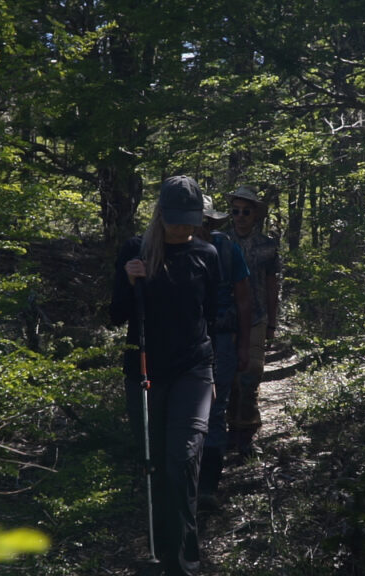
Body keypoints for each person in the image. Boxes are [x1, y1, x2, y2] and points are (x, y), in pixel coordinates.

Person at [110, 175, 219, 576]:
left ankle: (184, 561)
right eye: (177, 220)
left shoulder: (208, 254)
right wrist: (129, 278)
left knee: (183, 458)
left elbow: (209, 314)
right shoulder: (135, 251)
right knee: (155, 464)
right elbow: (117, 315)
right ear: (161, 215)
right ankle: (161, 554)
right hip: (145, 371)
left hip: (194, 369)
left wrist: (214, 370)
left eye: (190, 220)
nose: (184, 228)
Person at [195, 195, 251, 511]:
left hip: (223, 341)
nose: (199, 228)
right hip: (182, 343)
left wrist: (244, 345)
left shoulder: (228, 249)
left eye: (205, 221)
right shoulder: (167, 250)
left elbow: (245, 299)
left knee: (215, 412)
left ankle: (208, 486)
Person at [226, 185, 281, 457]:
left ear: (256, 214)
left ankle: (247, 434)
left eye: (246, 211)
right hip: (227, 320)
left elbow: (272, 286)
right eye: (236, 211)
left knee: (251, 376)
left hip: (257, 319)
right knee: (229, 378)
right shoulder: (220, 242)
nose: (240, 216)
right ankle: (230, 431)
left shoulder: (268, 247)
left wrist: (272, 323)